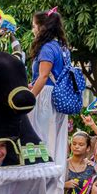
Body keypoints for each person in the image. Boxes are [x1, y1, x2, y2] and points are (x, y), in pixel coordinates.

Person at [28, 9, 69, 174]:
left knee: (41, 138)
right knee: (54, 140)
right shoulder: (62, 48)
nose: (33, 30)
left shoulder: (46, 48)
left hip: (45, 98)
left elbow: (44, 75)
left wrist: (30, 97)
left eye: (34, 26)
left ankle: (41, 175)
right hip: (58, 97)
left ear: (42, 27)